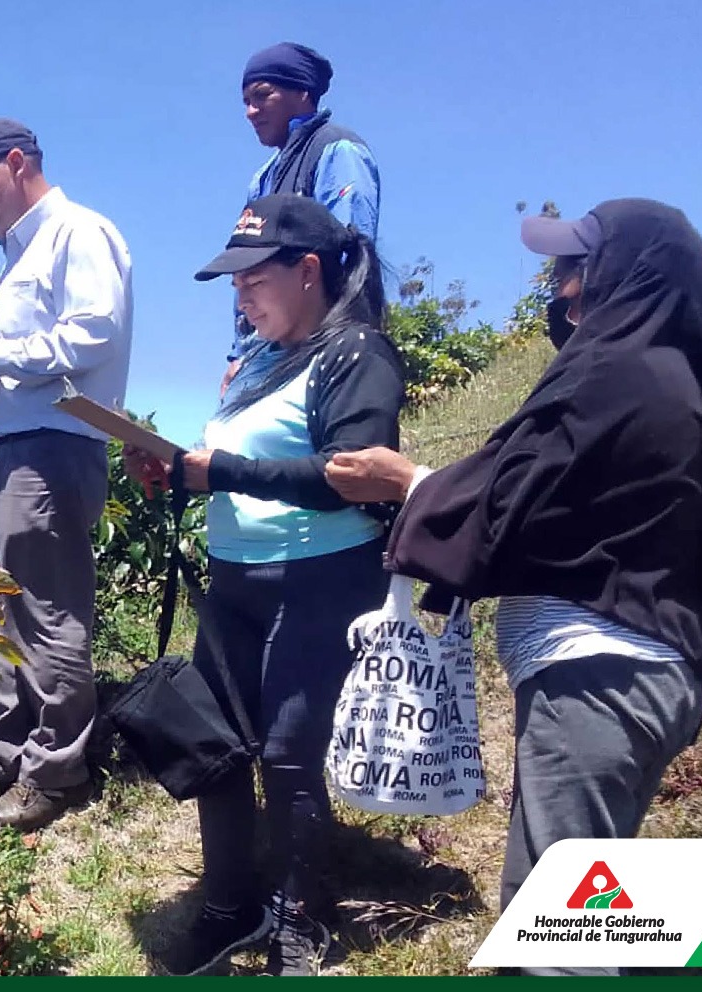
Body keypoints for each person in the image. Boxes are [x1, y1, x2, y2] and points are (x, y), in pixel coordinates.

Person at [325, 199, 702, 978]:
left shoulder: (613, 374)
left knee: (552, 937)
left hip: (597, 680)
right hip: (649, 673)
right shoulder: (681, 378)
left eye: (575, 268)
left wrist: (405, 481)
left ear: (624, 276)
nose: (560, 288)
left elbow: (514, 500)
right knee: (617, 918)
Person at [125, 194, 403, 976]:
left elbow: (357, 477)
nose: (239, 295)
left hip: (317, 578)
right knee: (215, 748)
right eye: (232, 283)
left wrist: (225, 469)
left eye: (252, 277)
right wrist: (177, 470)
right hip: (234, 577)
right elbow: (239, 472)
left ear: (307, 270)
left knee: (286, 753)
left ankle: (297, 918)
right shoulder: (253, 366)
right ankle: (228, 907)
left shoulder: (355, 354)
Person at [0, 117, 133, 833]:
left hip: (54, 446)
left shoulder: (77, 231)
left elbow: (93, 331)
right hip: (15, 447)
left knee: (43, 612)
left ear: (15, 163)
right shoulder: (20, 253)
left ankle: (55, 769)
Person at [221, 42, 380, 399]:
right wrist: (239, 354)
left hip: (319, 348)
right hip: (264, 354)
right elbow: (246, 264)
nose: (250, 111)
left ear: (302, 92)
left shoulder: (338, 151)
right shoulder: (263, 178)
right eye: (245, 101)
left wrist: (338, 349)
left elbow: (352, 255)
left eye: (262, 96)